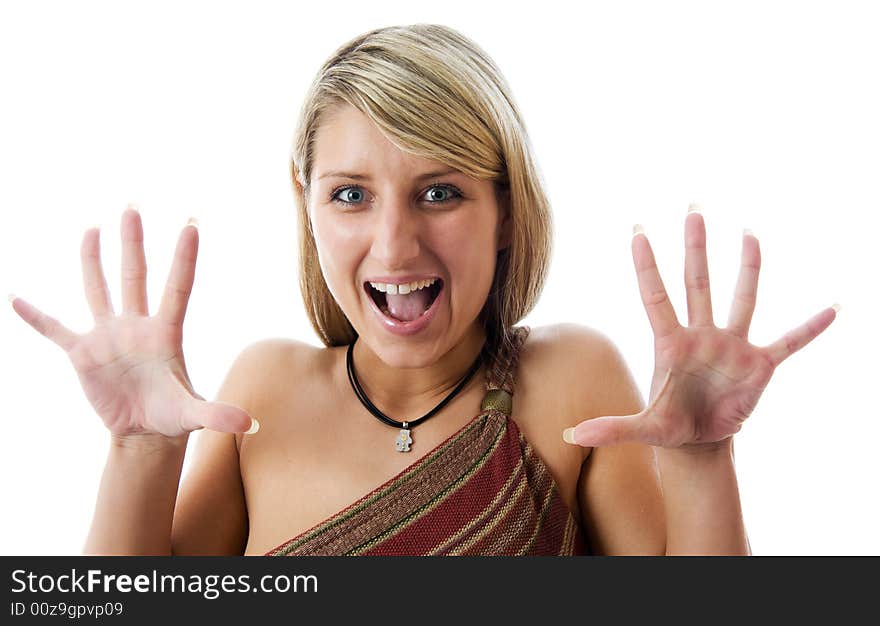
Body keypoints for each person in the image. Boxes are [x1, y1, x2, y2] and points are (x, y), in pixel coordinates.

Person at [9, 24, 839, 556]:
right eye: (349, 194)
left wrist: (701, 462)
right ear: (306, 207)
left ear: (506, 213)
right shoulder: (261, 391)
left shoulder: (570, 382)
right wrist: (138, 451)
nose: (395, 242)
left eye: (440, 193)